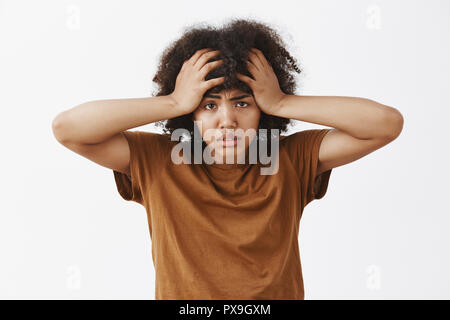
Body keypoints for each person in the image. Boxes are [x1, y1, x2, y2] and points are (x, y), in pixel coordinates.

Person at [52, 18, 403, 300]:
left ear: (261, 110)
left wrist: (281, 102)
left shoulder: (290, 158)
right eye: (209, 105)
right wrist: (173, 102)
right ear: (190, 113)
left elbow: (385, 124)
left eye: (242, 103)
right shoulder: (160, 159)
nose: (227, 120)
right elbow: (68, 128)